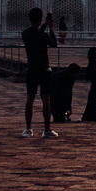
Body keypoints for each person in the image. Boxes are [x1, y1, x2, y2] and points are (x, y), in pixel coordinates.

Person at [20, 8, 59, 138]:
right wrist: (51, 28)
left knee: (29, 99)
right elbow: (54, 44)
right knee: (46, 100)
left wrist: (44, 26)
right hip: (43, 70)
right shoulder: (44, 36)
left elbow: (35, 34)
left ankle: (27, 129)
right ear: (41, 18)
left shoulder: (25, 34)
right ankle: (47, 129)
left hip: (31, 69)